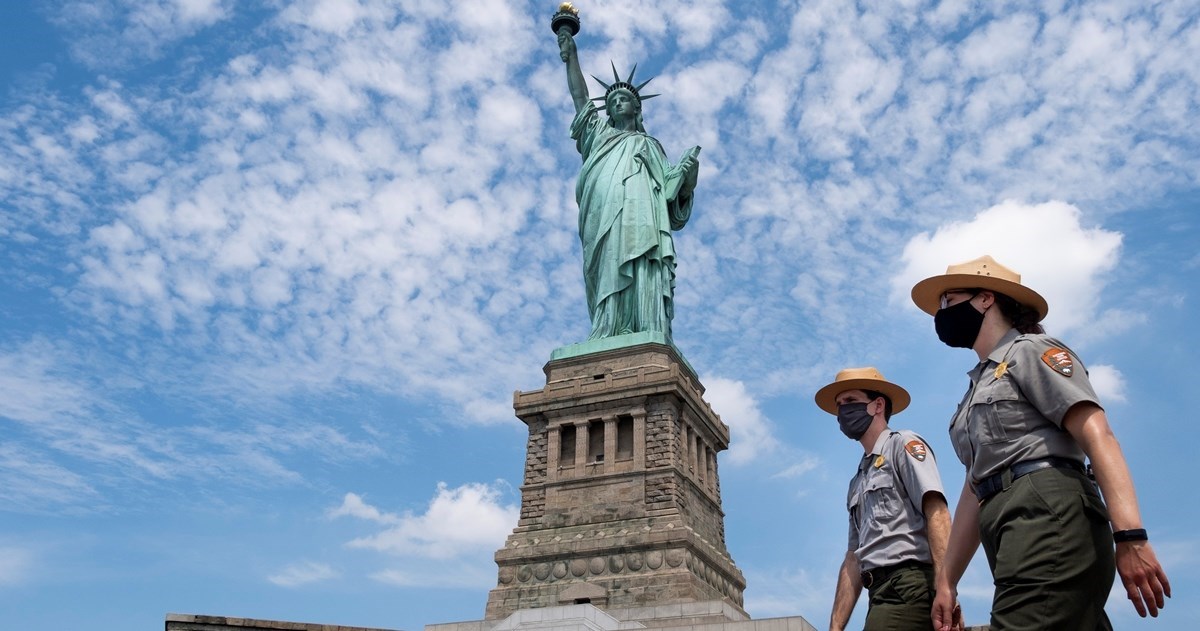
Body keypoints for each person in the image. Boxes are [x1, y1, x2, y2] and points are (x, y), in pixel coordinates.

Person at [911, 255, 1171, 631]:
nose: (942, 312)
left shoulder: (1031, 351)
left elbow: (1097, 433)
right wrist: (947, 581)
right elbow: (977, 484)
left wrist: (1130, 536)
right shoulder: (975, 388)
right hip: (1006, 524)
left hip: (1046, 511)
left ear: (985, 299)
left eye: (948, 301)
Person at [557, 27, 700, 341]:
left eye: (624, 99)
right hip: (602, 212)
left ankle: (645, 326)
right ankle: (607, 327)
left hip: (642, 216)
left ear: (637, 108)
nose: (617, 104)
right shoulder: (599, 137)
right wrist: (572, 58)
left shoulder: (649, 145)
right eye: (612, 101)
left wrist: (686, 178)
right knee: (608, 262)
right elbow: (581, 99)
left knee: (642, 259)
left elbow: (670, 193)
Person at [816, 367, 953, 631]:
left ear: (877, 405)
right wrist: (834, 627)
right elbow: (853, 558)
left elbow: (937, 512)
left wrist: (946, 586)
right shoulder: (857, 481)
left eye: (851, 401)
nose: (843, 412)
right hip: (878, 592)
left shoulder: (903, 444)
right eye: (839, 405)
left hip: (908, 583)